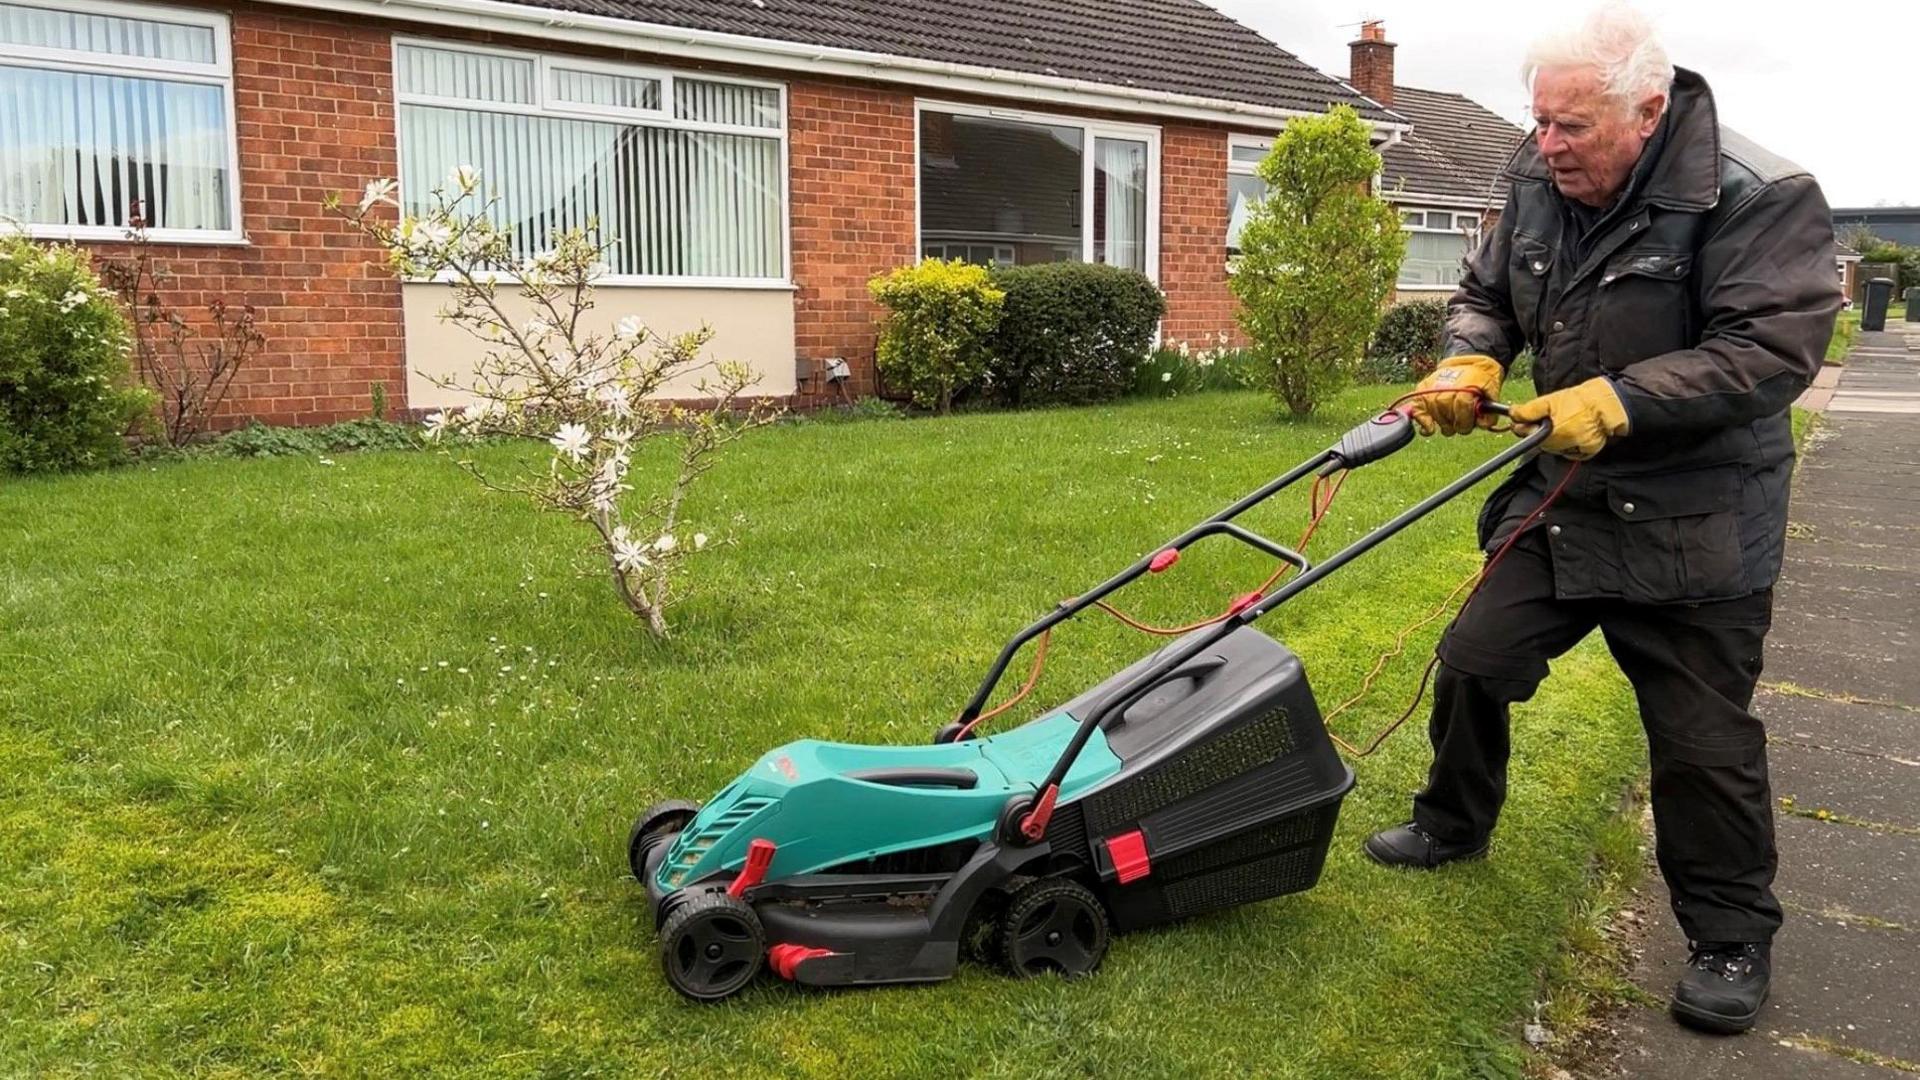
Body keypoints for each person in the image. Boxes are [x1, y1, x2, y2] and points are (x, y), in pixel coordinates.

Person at [1363, 4, 1842, 1036]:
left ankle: (1728, 935)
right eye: (1539, 121)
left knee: (1702, 742)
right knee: (1474, 659)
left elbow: (1769, 352)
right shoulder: (1533, 173)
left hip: (1698, 518)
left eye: (1570, 127)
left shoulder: (1759, 197)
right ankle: (1453, 822)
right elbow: (1486, 291)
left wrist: (1623, 399)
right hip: (1566, 491)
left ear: (1647, 111)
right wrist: (1470, 353)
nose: (1546, 145)